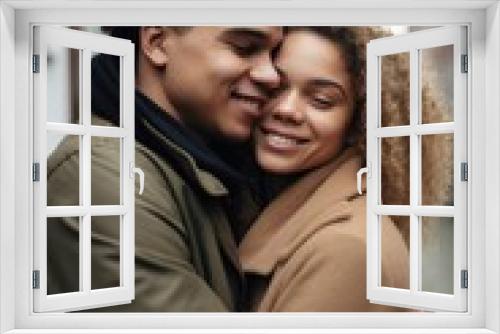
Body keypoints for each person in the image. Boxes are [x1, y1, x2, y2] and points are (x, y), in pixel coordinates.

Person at [47, 26, 282, 312]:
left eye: (275, 55)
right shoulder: (106, 179)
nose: (272, 75)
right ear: (157, 43)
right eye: (244, 48)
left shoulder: (206, 163)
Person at [239, 27, 416, 312]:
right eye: (275, 88)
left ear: (357, 123)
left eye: (321, 100)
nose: (286, 109)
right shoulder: (285, 211)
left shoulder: (345, 249)